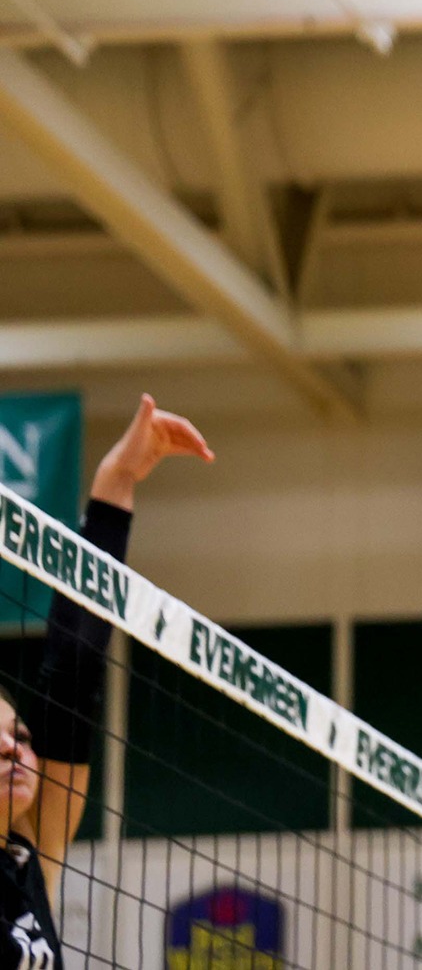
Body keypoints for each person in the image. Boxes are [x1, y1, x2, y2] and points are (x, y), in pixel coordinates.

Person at [2, 395, 212, 970]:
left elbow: (72, 677)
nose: (13, 749)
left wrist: (116, 483)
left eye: (20, 736)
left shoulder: (29, 854)